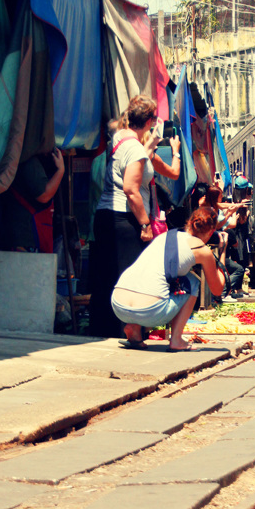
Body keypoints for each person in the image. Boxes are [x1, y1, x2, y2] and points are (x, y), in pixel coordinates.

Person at [89, 95, 181, 338]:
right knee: (127, 276)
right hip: (124, 219)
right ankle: (126, 331)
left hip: (108, 216)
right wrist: (144, 224)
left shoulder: (121, 140)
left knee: (108, 275)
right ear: (150, 120)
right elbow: (131, 189)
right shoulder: (134, 149)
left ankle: (104, 329)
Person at [111, 207, 226, 351]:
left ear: (189, 222)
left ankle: (134, 329)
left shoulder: (164, 236)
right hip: (149, 311)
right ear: (210, 232)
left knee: (158, 279)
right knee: (193, 281)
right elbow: (217, 289)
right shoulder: (202, 250)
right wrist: (222, 252)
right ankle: (176, 339)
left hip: (118, 305)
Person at [0, 148, 65, 253]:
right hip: (25, 237)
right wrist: (60, 170)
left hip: (14, 235)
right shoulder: (28, 161)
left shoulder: (12, 157)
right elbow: (44, 195)